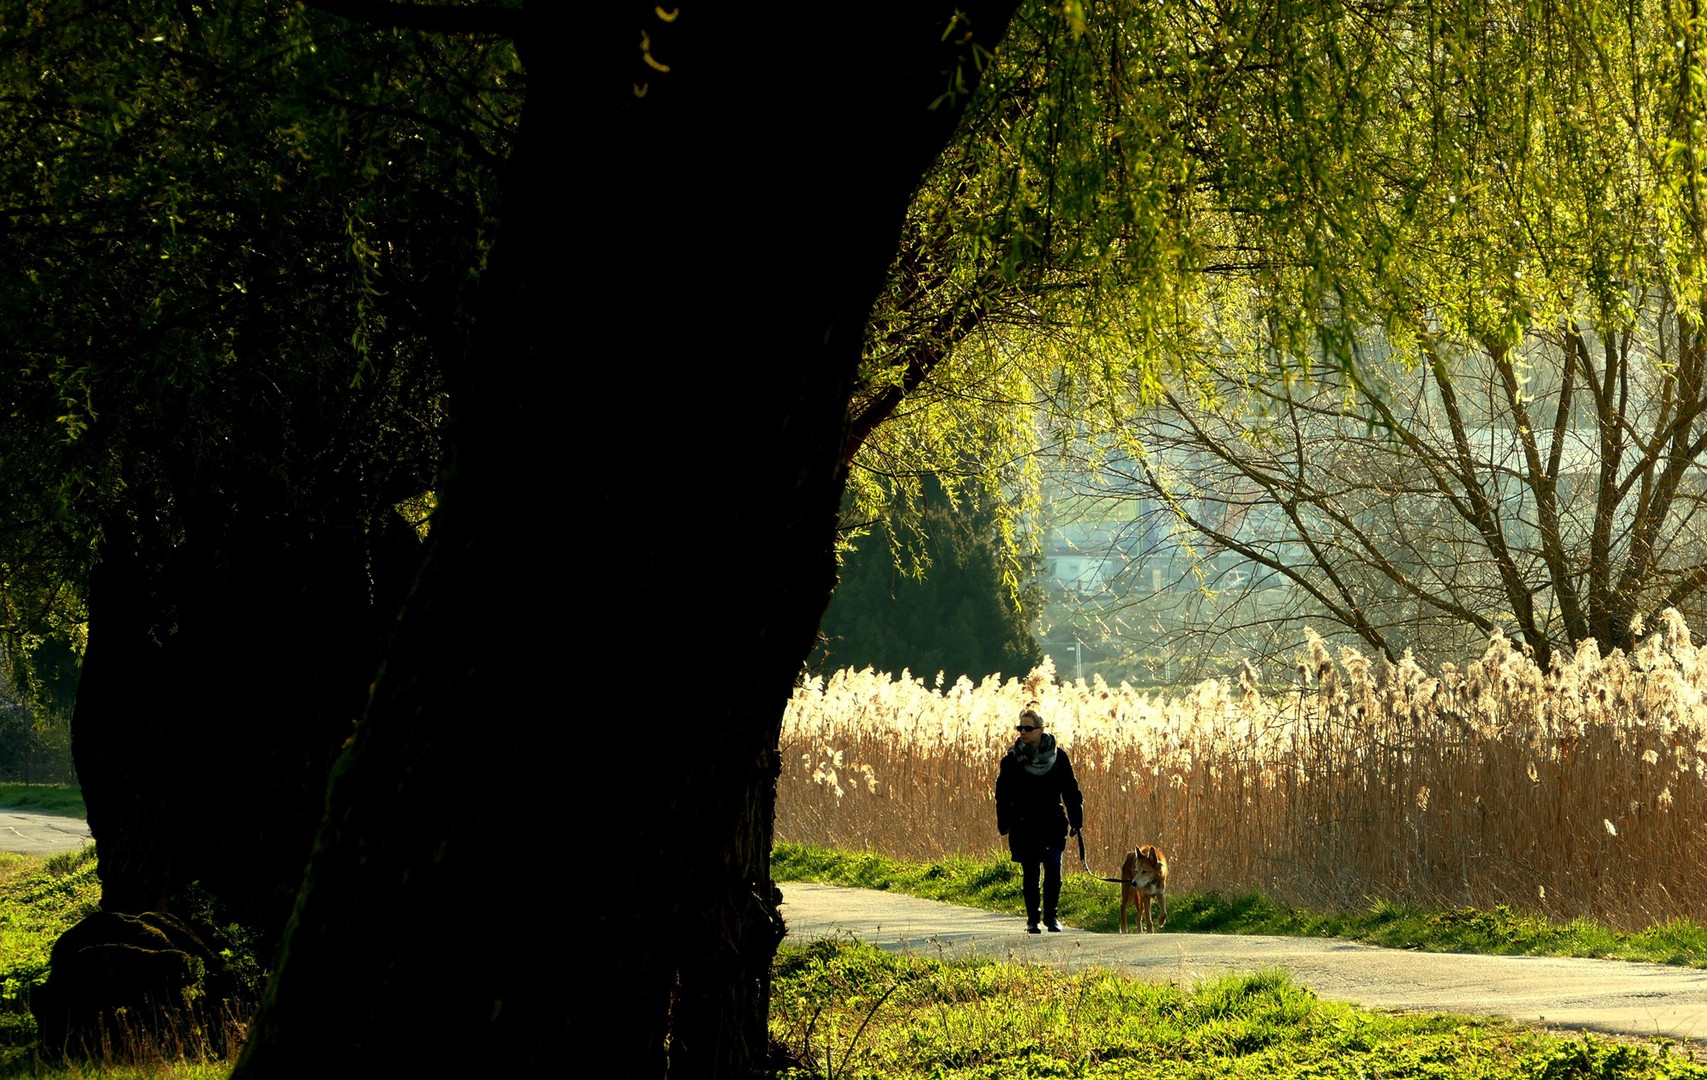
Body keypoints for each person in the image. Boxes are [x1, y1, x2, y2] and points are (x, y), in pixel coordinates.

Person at [994, 703, 1084, 933]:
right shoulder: (1012, 761)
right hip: (1024, 825)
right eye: (1020, 728)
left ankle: (1051, 917)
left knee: (1054, 869)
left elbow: (1070, 790)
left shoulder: (1059, 758)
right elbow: (1002, 794)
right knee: (1031, 872)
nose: (1023, 732)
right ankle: (1033, 919)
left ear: (1041, 729)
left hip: (1052, 822)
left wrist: (1076, 818)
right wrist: (1004, 822)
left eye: (1028, 728)